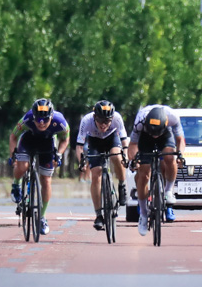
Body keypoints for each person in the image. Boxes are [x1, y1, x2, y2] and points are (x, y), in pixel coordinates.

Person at [8, 98, 69, 237]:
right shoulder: (27, 119)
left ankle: (42, 217)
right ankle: (16, 185)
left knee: (46, 180)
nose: (41, 123)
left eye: (45, 121)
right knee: (22, 166)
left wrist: (59, 154)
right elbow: (13, 136)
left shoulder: (60, 121)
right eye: (38, 120)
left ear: (51, 117)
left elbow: (65, 139)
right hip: (28, 141)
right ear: (33, 117)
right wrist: (13, 156)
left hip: (47, 143)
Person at [127, 104, 186, 235]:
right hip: (144, 137)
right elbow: (133, 145)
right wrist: (133, 160)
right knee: (143, 174)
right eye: (153, 133)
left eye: (156, 134)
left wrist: (180, 155)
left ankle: (169, 190)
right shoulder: (140, 121)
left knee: (170, 156)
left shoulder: (172, 118)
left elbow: (180, 140)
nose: (155, 136)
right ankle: (143, 214)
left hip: (165, 135)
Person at [75, 100, 129, 232]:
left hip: (111, 139)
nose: (104, 125)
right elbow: (79, 145)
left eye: (107, 121)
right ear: (95, 117)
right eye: (100, 121)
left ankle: (122, 185)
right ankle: (99, 215)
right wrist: (81, 161)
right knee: (96, 174)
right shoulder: (86, 120)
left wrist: (126, 155)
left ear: (112, 119)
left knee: (117, 156)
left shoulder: (117, 118)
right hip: (95, 142)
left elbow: (123, 139)